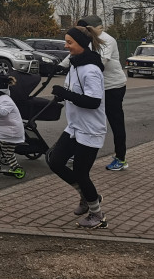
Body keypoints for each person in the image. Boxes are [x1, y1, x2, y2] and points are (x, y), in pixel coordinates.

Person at [46, 27, 108, 229]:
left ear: (82, 44)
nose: (66, 46)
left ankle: (97, 215)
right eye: (66, 41)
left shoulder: (90, 70)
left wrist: (66, 94)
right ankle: (87, 196)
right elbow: (74, 92)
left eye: (70, 42)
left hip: (90, 129)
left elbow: (93, 102)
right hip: (75, 127)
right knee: (54, 161)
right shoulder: (75, 65)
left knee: (82, 173)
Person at [77, 14, 128, 172]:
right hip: (96, 87)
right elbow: (73, 54)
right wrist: (60, 66)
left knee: (115, 121)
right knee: (84, 119)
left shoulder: (107, 40)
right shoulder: (87, 40)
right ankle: (75, 152)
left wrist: (76, 63)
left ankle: (121, 158)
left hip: (113, 87)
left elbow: (100, 63)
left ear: (92, 28)